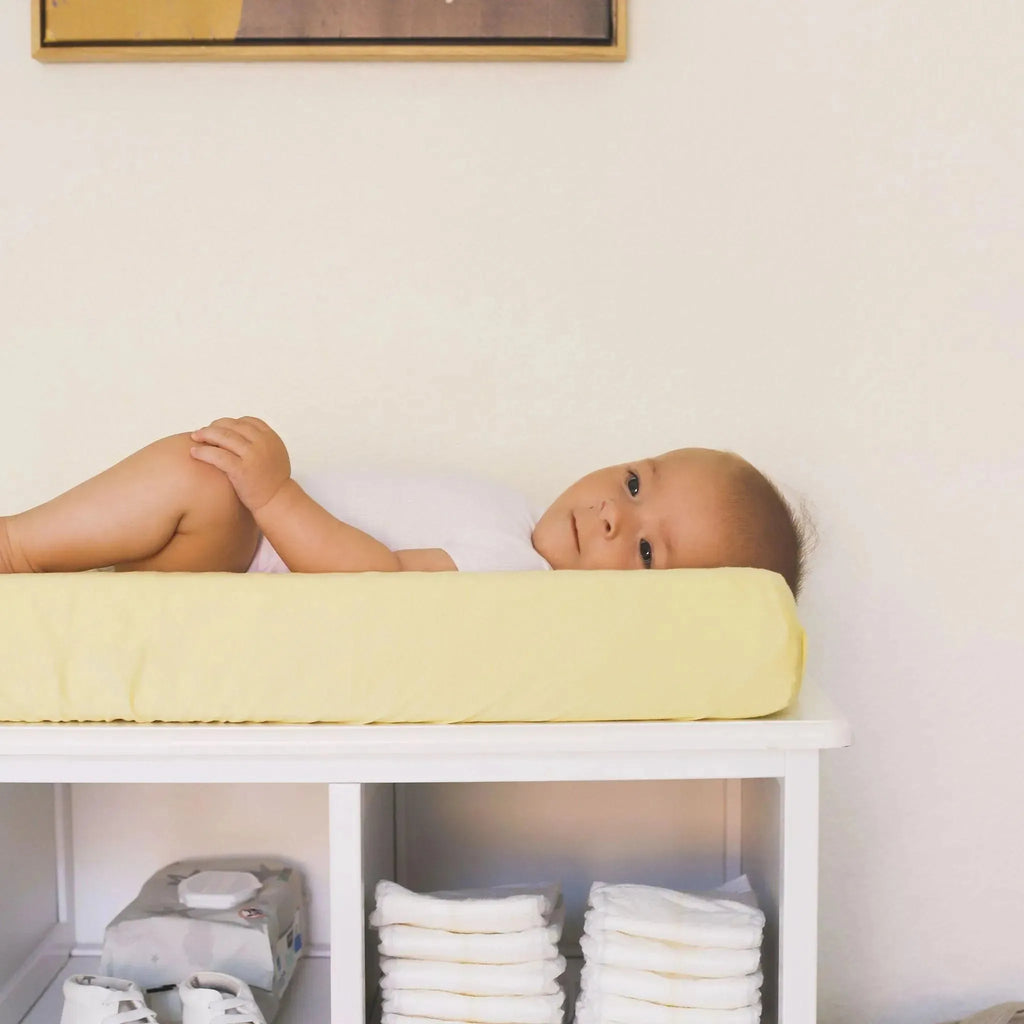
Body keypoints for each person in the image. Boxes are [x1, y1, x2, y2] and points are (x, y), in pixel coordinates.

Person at [0, 417, 807, 595]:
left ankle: (18, 548)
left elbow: (380, 581)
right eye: (634, 484)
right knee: (202, 475)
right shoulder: (513, 518)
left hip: (246, 549)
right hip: (242, 541)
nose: (611, 517)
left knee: (201, 475)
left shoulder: (514, 575)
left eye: (646, 551)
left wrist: (272, 492)